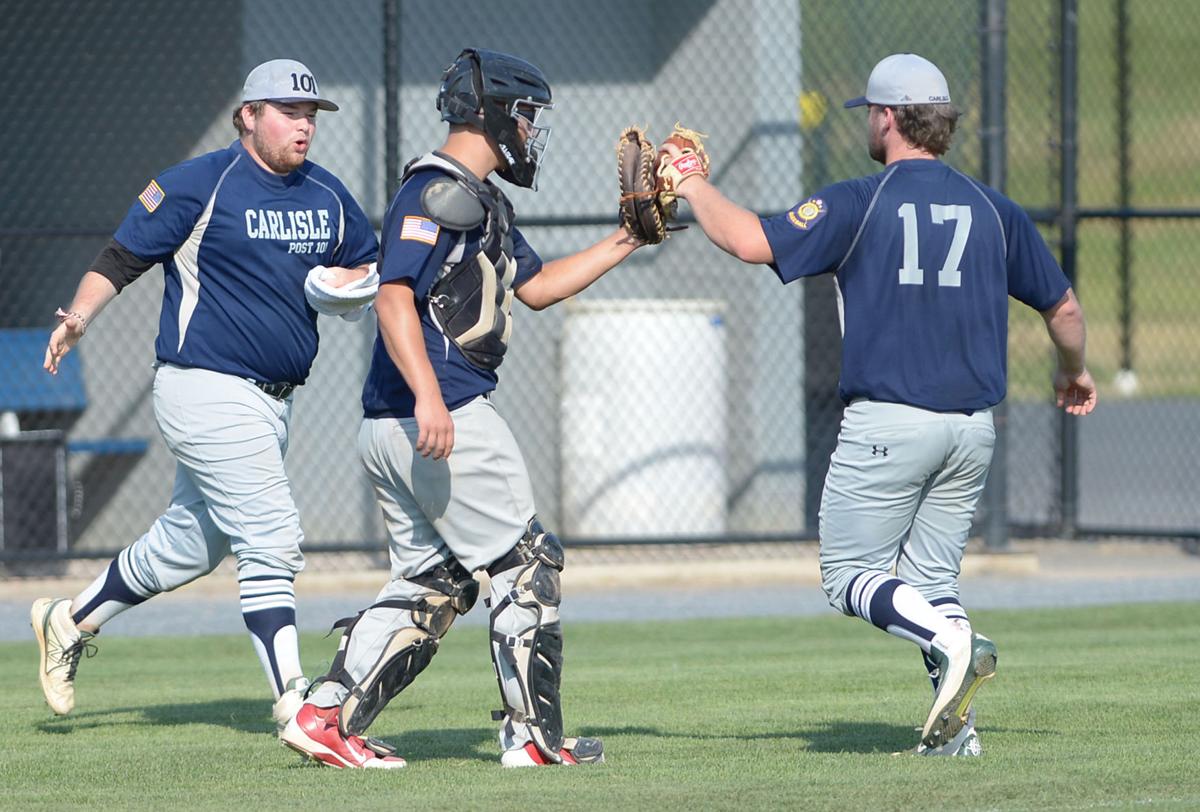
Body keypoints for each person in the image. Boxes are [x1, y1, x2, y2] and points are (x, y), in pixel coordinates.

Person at [662, 53, 1097, 756]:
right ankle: (958, 737)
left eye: (871, 110)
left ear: (888, 117)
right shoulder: (994, 208)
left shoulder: (859, 201)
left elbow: (750, 240)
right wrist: (1073, 372)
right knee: (931, 580)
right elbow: (1065, 309)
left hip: (890, 423)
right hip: (972, 432)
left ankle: (948, 640)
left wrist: (692, 185)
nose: (869, 120)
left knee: (849, 578)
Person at [280, 47, 643, 769]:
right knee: (528, 564)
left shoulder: (481, 198)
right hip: (438, 413)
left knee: (435, 582)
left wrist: (629, 237)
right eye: (528, 116)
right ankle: (533, 742)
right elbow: (392, 297)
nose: (533, 131)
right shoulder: (436, 189)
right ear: (498, 114)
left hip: (397, 423)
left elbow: (536, 289)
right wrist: (428, 399)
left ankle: (326, 716)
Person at [31, 59, 378, 734]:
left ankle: (67, 621)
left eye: (310, 114)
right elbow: (122, 256)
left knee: (189, 547)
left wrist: (353, 281)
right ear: (246, 116)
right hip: (203, 387)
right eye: (287, 111)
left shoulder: (328, 194)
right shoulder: (198, 183)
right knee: (273, 538)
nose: (303, 124)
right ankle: (296, 703)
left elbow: (368, 261)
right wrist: (79, 316)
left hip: (275, 402)